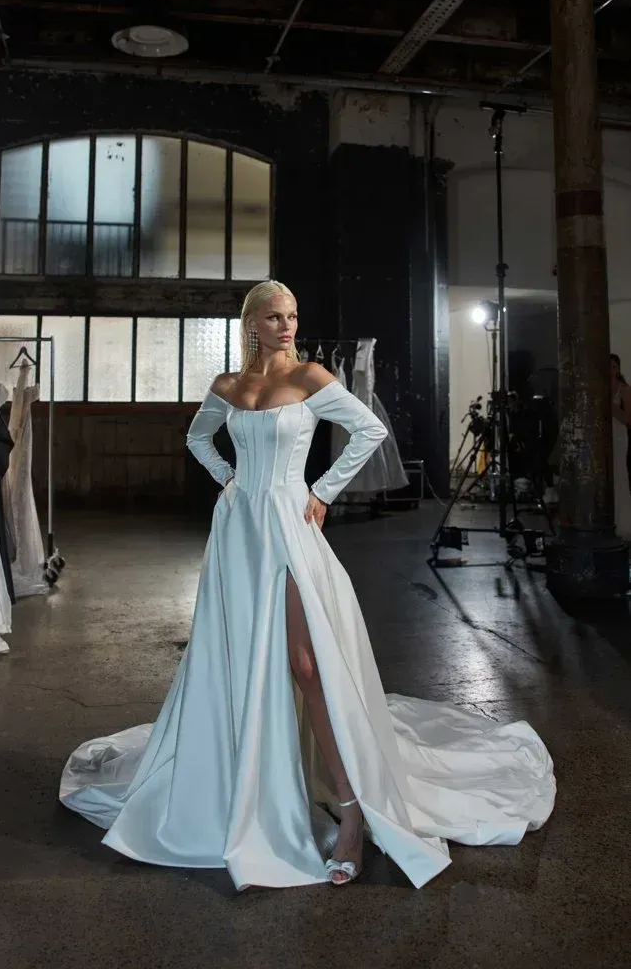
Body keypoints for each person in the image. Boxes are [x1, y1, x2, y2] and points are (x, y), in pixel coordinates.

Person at [60, 281, 555, 890]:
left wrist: (322, 491)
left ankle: (350, 812)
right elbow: (195, 438)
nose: (288, 326)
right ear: (253, 325)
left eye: (293, 315)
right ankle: (249, 782)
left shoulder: (312, 377)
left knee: (306, 664)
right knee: (245, 658)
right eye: (275, 317)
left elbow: (369, 432)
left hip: (291, 524)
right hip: (240, 528)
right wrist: (227, 480)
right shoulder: (228, 387)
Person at [610, 353, 631, 540]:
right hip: (604, 436)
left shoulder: (624, 389)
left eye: (614, 367)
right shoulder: (599, 387)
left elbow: (628, 418)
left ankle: (623, 523)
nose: (611, 370)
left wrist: (611, 407)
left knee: (619, 476)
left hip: (617, 435)